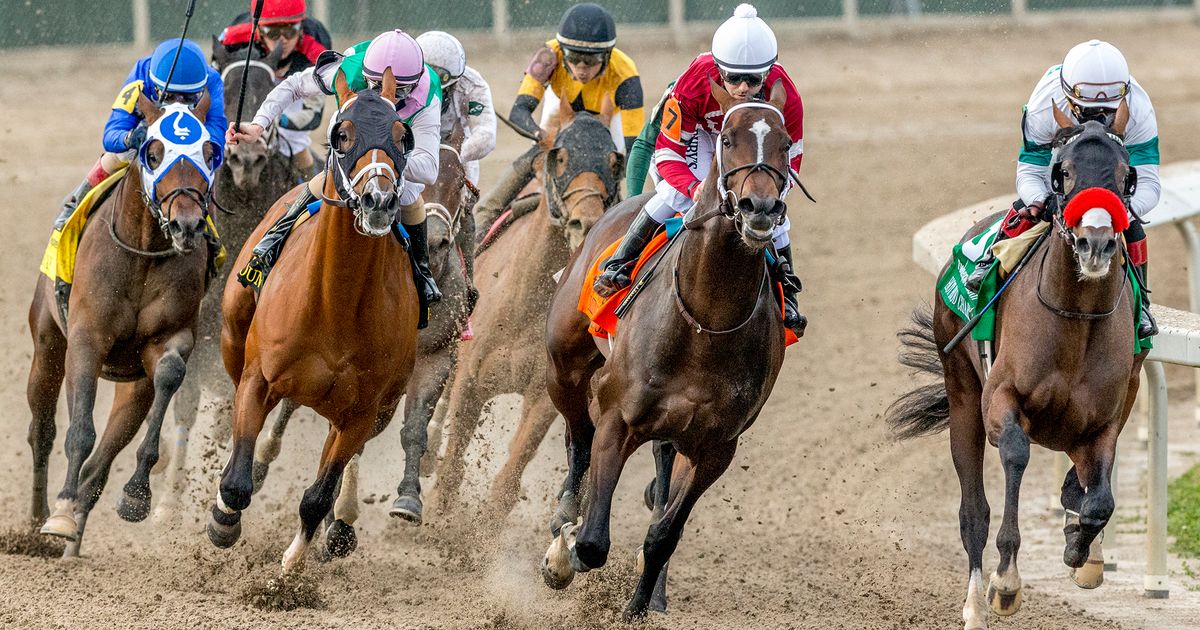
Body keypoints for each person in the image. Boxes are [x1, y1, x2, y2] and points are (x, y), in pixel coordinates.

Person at [593, 4, 807, 336]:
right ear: (718, 69)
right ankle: (620, 262)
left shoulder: (787, 97)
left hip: (751, 148)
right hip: (704, 139)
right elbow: (667, 154)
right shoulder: (693, 81)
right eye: (732, 77)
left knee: (777, 215)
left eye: (753, 79)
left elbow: (791, 162)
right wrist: (696, 188)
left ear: (768, 73)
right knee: (673, 197)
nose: (741, 88)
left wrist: (770, 192)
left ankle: (789, 298)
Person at [227, 29, 442, 304]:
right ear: (366, 77)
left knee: (411, 194)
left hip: (393, 156)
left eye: (402, 91)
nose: (390, 96)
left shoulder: (428, 96)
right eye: (378, 87)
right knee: (324, 179)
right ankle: (271, 243)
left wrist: (381, 159)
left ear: (417, 83)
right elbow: (292, 87)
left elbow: (428, 169)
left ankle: (422, 275)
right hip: (350, 144)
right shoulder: (347, 70)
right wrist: (259, 125)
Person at [965, 39, 1159, 337]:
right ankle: (989, 263)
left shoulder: (1139, 110)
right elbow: (1030, 170)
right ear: (1067, 97)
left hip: (1110, 174)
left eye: (1108, 112)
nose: (1098, 120)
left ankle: (1142, 304)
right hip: (1059, 164)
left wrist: (1123, 210)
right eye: (1087, 111)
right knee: (1029, 208)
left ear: (1123, 98)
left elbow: (1148, 183)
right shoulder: (1045, 104)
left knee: (1132, 226)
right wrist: (1042, 200)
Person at [471, 2, 644, 242]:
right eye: (574, 58)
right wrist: (542, 137)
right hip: (562, 107)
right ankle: (485, 214)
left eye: (591, 60)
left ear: (608, 56)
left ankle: (622, 226)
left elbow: (635, 142)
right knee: (537, 155)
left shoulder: (626, 72)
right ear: (562, 52)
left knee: (613, 165)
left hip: (606, 118)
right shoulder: (547, 56)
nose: (581, 68)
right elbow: (519, 111)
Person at [54, 39, 226, 228]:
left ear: (201, 88)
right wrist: (129, 138)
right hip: (149, 134)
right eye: (170, 96)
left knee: (209, 161)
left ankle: (212, 233)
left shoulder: (212, 79)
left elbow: (216, 129)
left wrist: (197, 143)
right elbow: (111, 133)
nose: (179, 102)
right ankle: (75, 203)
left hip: (190, 144)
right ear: (155, 86)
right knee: (117, 155)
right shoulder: (140, 76)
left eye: (188, 97)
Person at [216, 0, 332, 177]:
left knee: (295, 140)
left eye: (290, 31)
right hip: (253, 84)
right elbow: (219, 87)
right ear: (260, 31)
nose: (282, 40)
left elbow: (313, 114)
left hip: (297, 84)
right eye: (273, 32)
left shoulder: (317, 48)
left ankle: (312, 190)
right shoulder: (234, 40)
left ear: (301, 29)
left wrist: (275, 122)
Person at [416, 30, 495, 186]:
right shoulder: (401, 78)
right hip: (414, 144)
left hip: (455, 146)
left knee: (464, 198)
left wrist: (456, 155)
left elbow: (487, 134)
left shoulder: (472, 85)